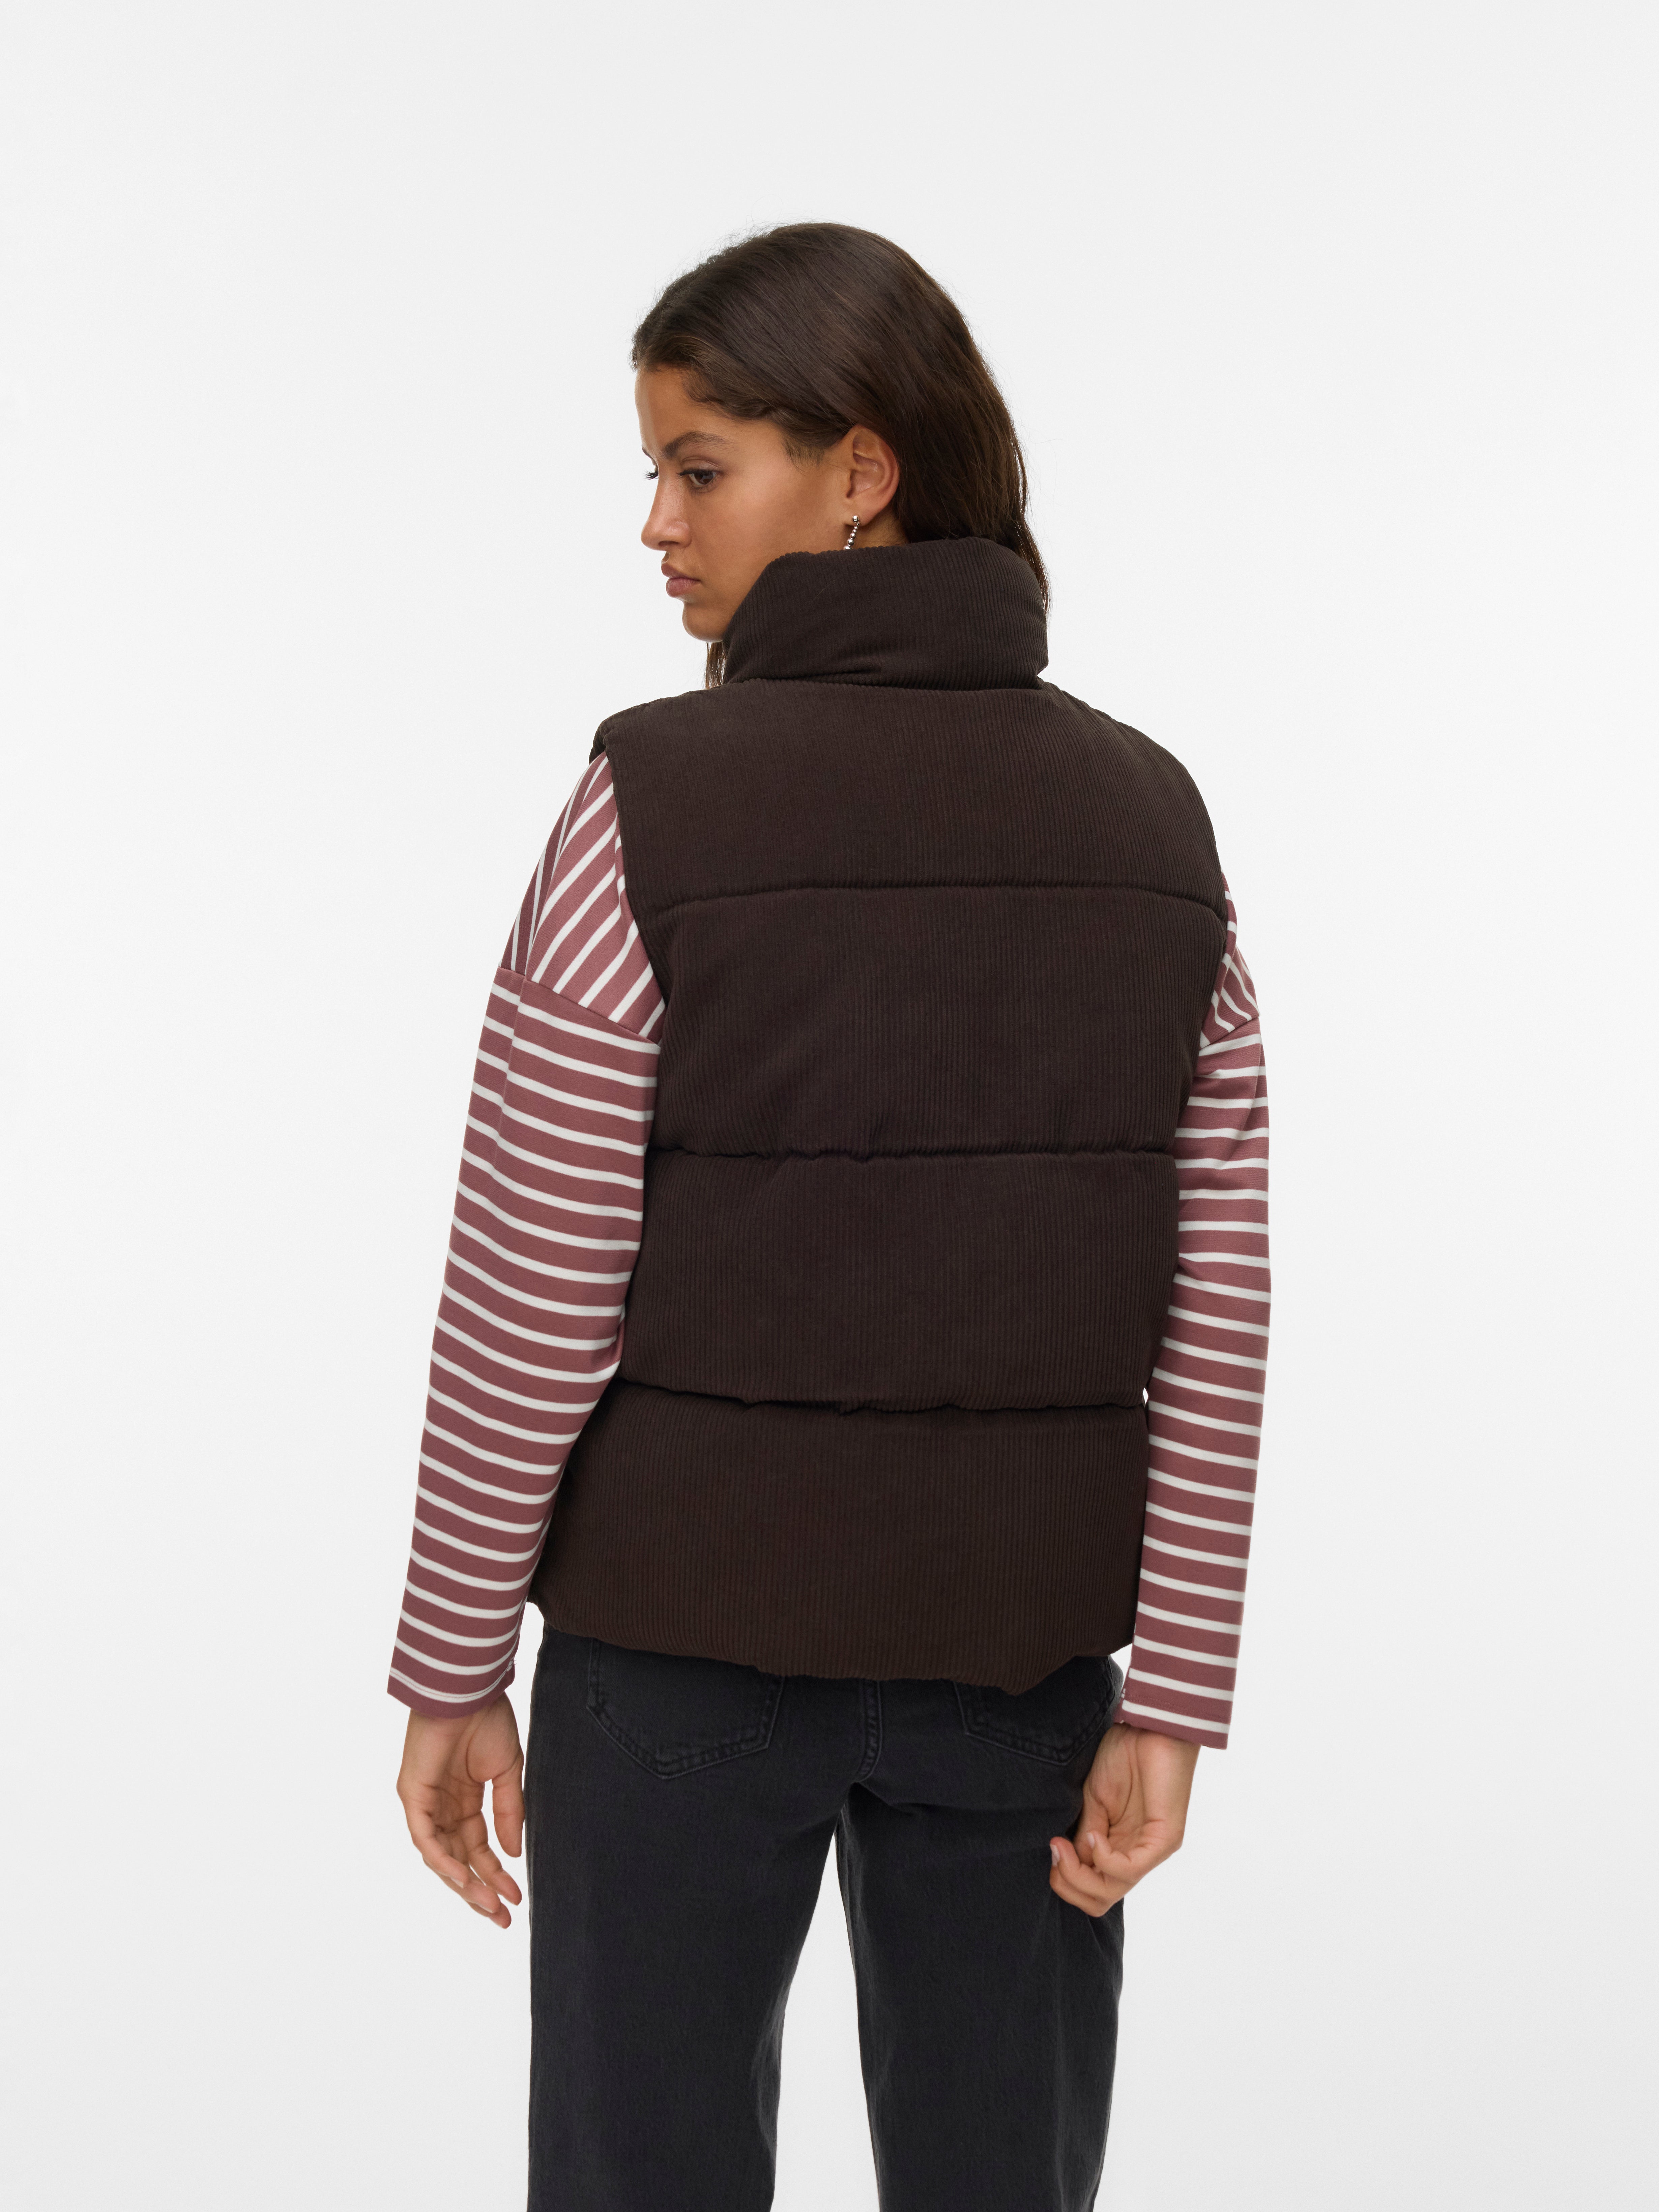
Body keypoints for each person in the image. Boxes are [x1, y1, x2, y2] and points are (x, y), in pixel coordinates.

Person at [388, 222, 1268, 2212]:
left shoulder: (645, 804)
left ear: (861, 472)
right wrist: (1174, 1692)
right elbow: (1215, 1307)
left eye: (697, 468)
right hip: (1023, 1658)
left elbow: (529, 1288)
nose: (654, 524)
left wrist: (449, 1659)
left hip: (678, 1650)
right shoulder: (1156, 824)